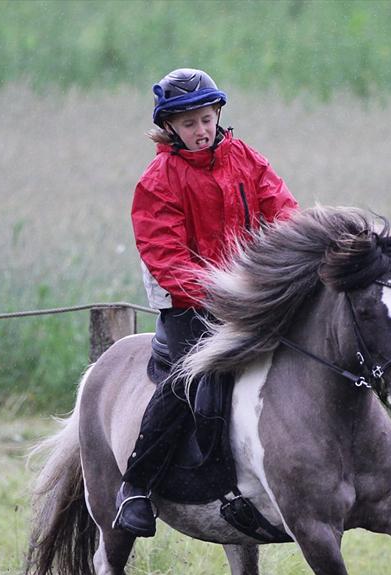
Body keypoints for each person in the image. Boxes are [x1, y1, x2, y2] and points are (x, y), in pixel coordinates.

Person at [115, 67, 298, 537]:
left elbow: (282, 210)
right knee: (188, 378)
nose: (202, 130)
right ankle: (136, 485)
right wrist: (220, 294)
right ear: (169, 128)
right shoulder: (158, 179)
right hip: (187, 303)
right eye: (190, 122)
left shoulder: (245, 157)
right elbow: (165, 255)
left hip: (247, 293)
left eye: (207, 118)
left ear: (218, 113)